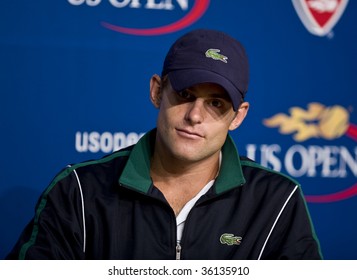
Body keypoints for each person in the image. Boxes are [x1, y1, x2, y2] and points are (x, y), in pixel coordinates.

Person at [6, 29, 322, 260]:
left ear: (238, 116)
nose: (195, 115)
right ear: (157, 91)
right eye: (185, 94)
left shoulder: (278, 201)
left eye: (216, 103)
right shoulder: (79, 191)